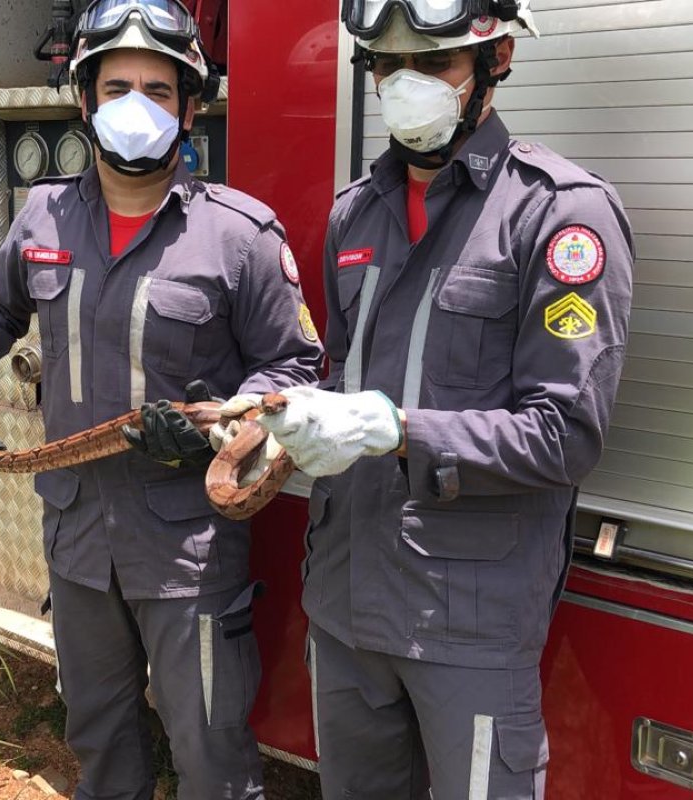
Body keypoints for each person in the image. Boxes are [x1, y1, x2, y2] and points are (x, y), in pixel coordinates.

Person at [217, 1, 633, 797]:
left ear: (497, 58)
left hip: (467, 623)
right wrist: (279, 424)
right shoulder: (354, 214)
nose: (405, 86)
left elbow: (565, 436)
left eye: (433, 63)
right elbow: (340, 380)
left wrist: (397, 427)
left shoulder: (558, 213)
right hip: (345, 603)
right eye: (386, 65)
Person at [0, 2, 323, 798]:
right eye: (116, 87)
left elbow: (297, 374)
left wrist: (222, 428)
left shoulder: (240, 236)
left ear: (190, 107)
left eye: (157, 89)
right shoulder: (44, 214)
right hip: (75, 544)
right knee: (100, 740)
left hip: (187, 557)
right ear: (83, 100)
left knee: (211, 756)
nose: (136, 106)